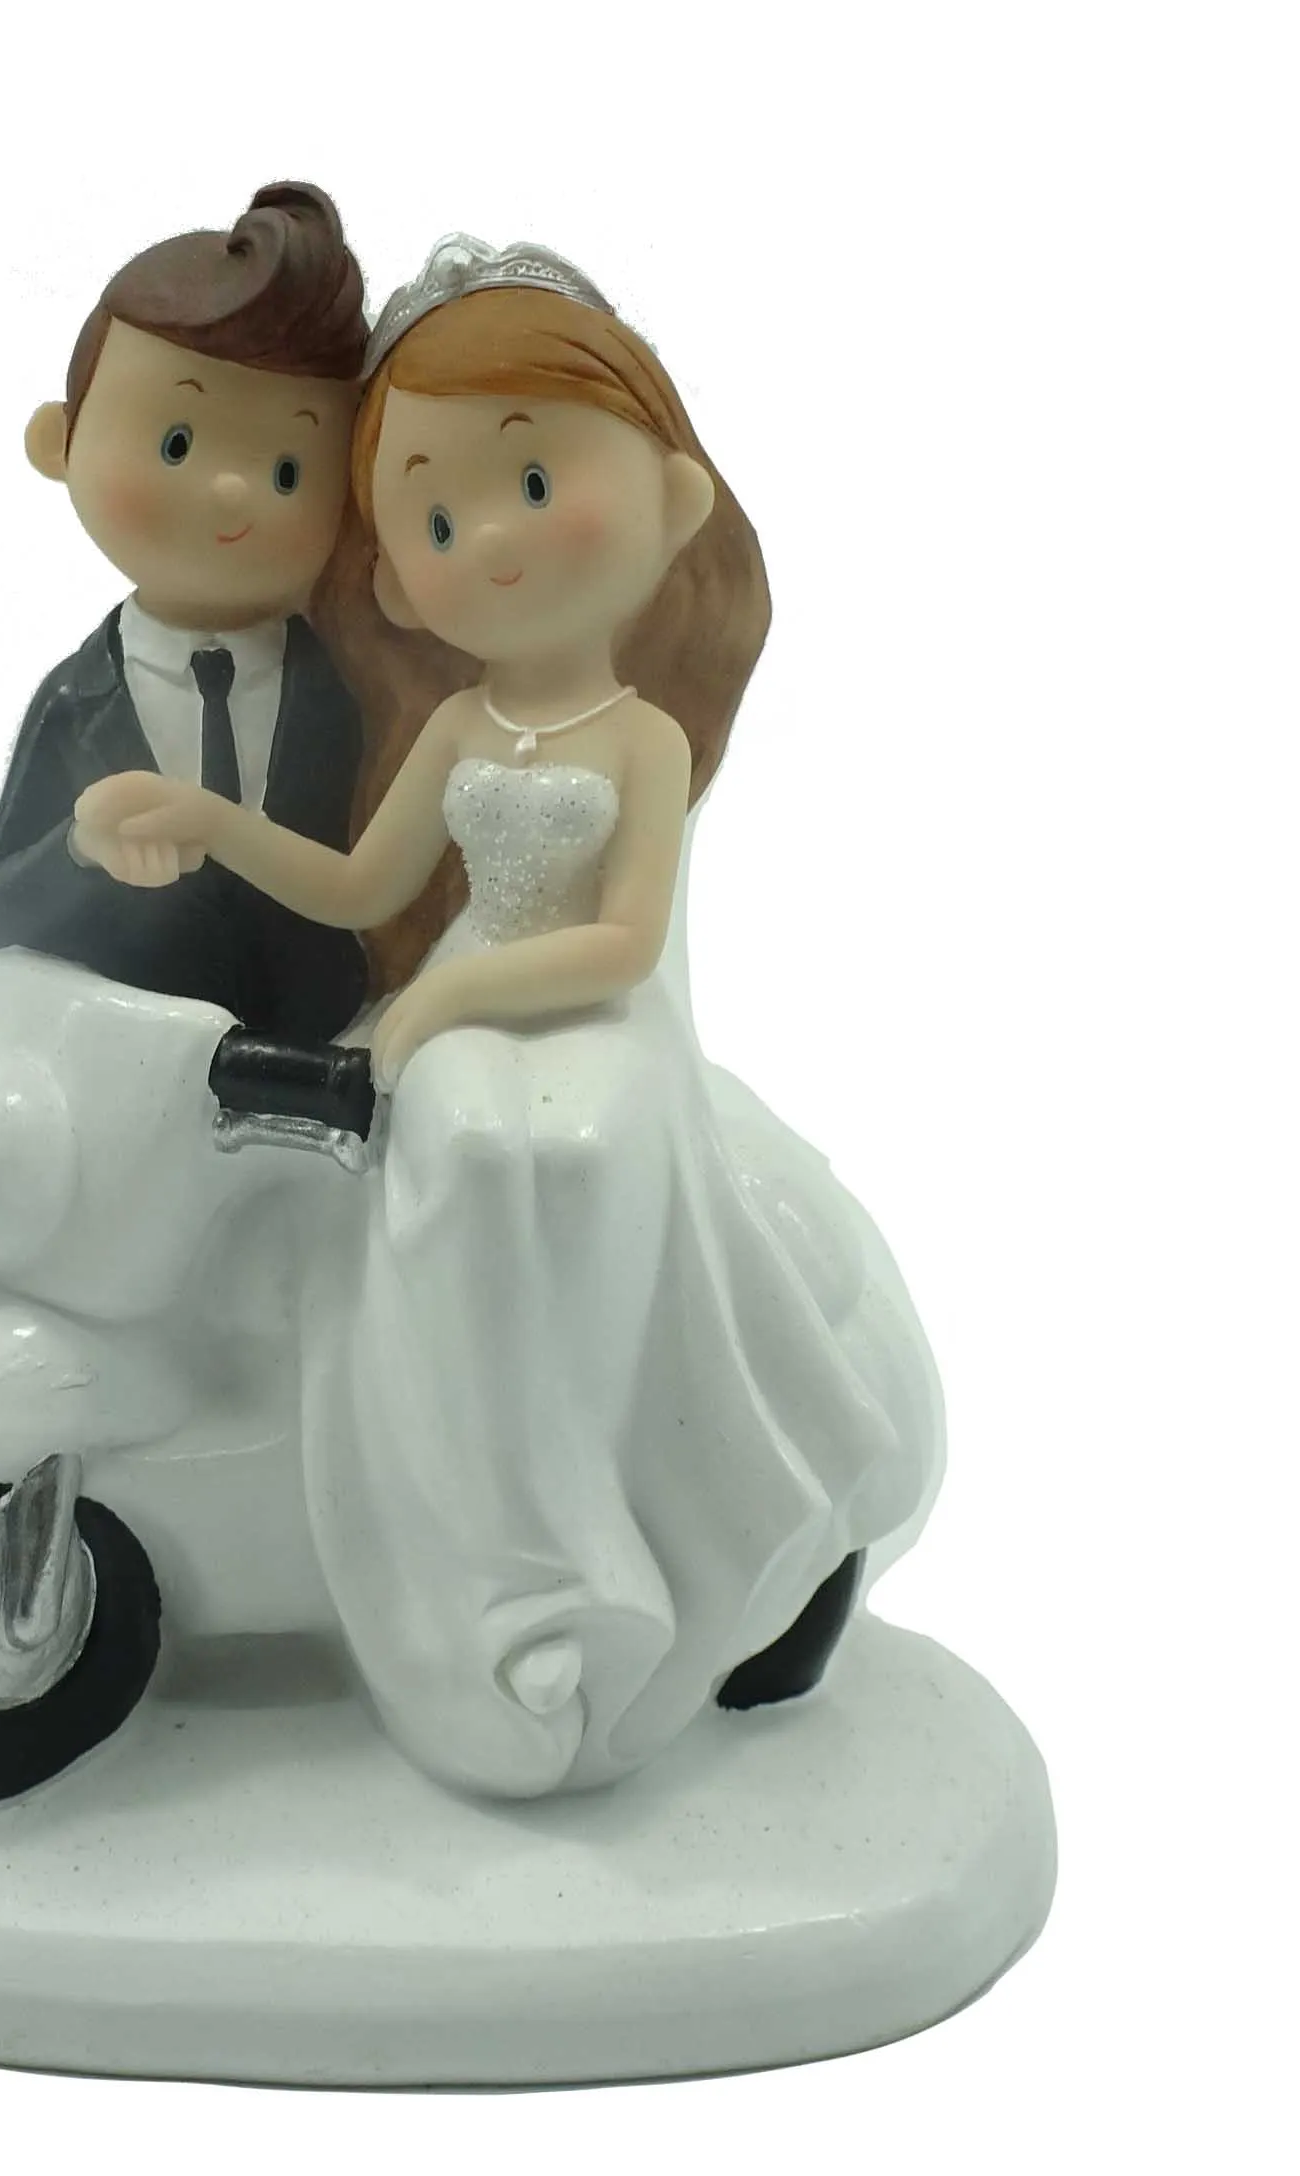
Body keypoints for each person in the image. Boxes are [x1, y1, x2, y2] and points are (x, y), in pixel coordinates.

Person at [77, 237, 943, 1800]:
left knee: (552, 1152)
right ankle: (475, 1536)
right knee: (426, 1144)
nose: (487, 538)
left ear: (672, 499)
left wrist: (458, 989)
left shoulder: (641, 743)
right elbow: (359, 884)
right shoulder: (462, 725)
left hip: (589, 1016)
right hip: (454, 1007)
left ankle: (595, 1540)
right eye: (432, 514)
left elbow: (620, 942)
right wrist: (209, 824)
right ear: (391, 573)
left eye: (533, 484)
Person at [0, 182, 372, 1045]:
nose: (232, 491)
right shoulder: (78, 701)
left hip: (322, 1046)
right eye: (176, 444)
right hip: (135, 1053)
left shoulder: (343, 689)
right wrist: (82, 848)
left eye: (288, 471)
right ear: (59, 442)